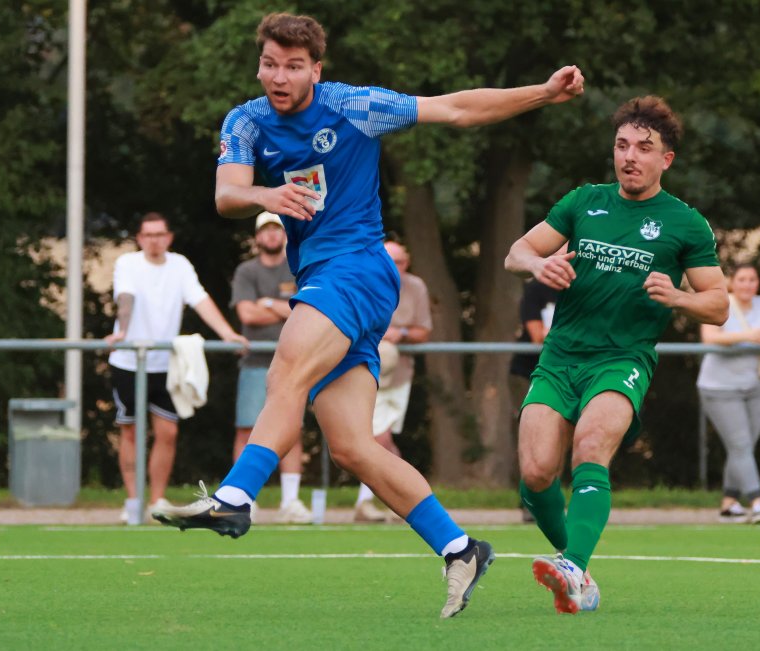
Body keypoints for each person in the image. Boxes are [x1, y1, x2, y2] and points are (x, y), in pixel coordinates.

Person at [151, 11, 585, 618]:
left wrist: (542, 92)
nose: (279, 76)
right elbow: (227, 194)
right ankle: (461, 548)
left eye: (293, 66)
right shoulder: (245, 120)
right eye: (270, 64)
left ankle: (234, 497)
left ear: (316, 70)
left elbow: (455, 108)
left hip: (356, 268)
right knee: (353, 446)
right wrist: (263, 196)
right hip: (325, 281)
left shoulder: (352, 106)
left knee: (287, 374)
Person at [504, 95, 729, 614]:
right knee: (536, 474)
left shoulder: (685, 223)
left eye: (644, 148)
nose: (630, 156)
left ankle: (571, 565)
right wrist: (538, 268)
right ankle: (577, 569)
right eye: (622, 145)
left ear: (665, 159)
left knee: (590, 447)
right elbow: (516, 252)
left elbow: (718, 307)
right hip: (560, 356)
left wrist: (679, 297)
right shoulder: (583, 202)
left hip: (622, 358)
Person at [105, 212, 248, 523]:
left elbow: (199, 299)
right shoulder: (127, 264)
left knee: (167, 432)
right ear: (140, 238)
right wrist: (123, 333)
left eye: (159, 234)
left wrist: (227, 333)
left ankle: (156, 498)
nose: (154, 240)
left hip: (164, 363)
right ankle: (133, 502)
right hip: (129, 361)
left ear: (168, 237)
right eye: (148, 235)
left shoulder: (180, 265)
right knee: (129, 431)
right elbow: (125, 298)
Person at [230, 212, 312, 524]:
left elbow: (307, 313)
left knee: (291, 429)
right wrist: (285, 307)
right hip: (255, 363)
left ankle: (290, 501)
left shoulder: (298, 265)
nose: (271, 236)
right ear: (256, 236)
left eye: (276, 229)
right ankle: (243, 498)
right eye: (265, 230)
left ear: (284, 234)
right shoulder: (245, 270)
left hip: (295, 363)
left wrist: (267, 304)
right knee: (246, 429)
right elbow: (247, 315)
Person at [697, 263, 760, 524]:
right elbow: (710, 337)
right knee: (740, 444)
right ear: (732, 282)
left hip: (758, 385)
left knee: (743, 446)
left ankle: (729, 503)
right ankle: (757, 502)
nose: (747, 284)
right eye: (742, 279)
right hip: (720, 387)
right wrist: (747, 335)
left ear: (757, 283)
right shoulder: (720, 303)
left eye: (752, 279)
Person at [353, 240, 432, 523]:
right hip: (363, 371)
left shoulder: (416, 287)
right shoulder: (362, 280)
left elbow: (423, 331)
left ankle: (396, 500)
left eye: (398, 261)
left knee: (380, 440)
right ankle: (406, 499)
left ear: (406, 263)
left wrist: (402, 333)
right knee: (377, 438)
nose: (393, 266)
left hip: (398, 374)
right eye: (388, 260)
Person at [508, 277, 560, 523]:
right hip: (529, 372)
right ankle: (529, 502)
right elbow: (537, 335)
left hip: (566, 370)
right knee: (532, 437)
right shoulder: (537, 288)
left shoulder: (586, 284)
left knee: (561, 438)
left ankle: (553, 502)